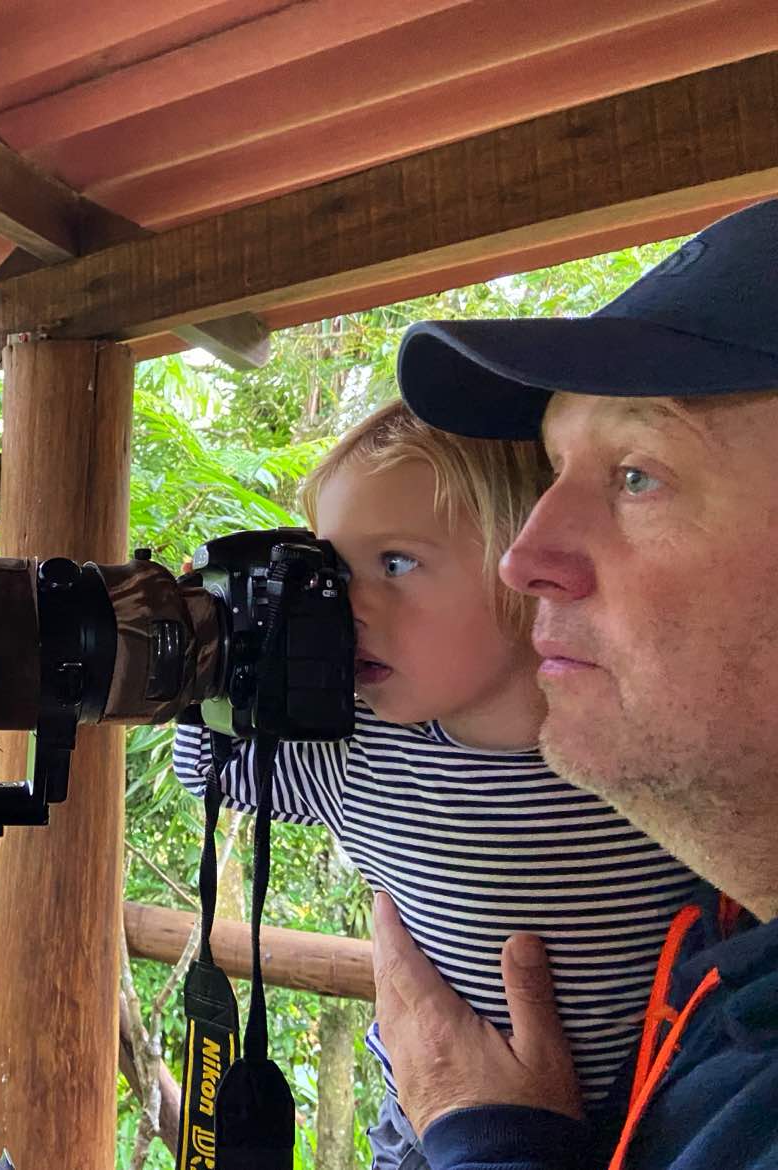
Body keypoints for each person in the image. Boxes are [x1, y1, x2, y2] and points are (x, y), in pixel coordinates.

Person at [172, 400, 699, 1169]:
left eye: (396, 564)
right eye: (336, 575)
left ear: (531, 563)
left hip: (663, 1123)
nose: (352, 610)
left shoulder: (649, 737)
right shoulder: (352, 745)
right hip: (432, 1133)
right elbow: (209, 770)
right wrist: (210, 649)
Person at [377, 196, 778, 1170]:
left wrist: (497, 1145)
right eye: (555, 469)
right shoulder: (724, 966)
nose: (524, 557)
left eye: (637, 474)